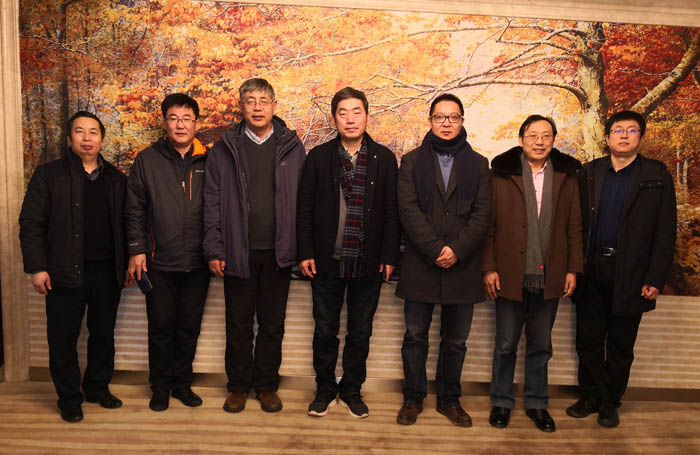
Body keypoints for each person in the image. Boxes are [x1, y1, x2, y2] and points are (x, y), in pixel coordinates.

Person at [567, 110, 676, 428]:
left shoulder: (656, 175)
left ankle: (609, 403)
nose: (624, 135)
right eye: (618, 130)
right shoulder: (589, 173)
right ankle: (588, 397)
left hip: (632, 272)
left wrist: (655, 277)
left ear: (641, 136)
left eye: (631, 130)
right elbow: (574, 225)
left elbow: (666, 231)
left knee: (620, 344)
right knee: (588, 341)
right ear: (607, 137)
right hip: (592, 268)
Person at [19, 111, 131, 423]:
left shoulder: (116, 179)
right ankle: (69, 398)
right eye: (79, 131)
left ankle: (97, 388)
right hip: (63, 272)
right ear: (69, 139)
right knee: (62, 339)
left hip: (107, 273)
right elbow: (30, 224)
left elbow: (128, 224)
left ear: (102, 139)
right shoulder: (49, 175)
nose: (87, 138)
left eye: (93, 132)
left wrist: (128, 262)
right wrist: (37, 267)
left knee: (103, 335)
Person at [203, 78, 306, 414]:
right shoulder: (224, 149)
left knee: (272, 325)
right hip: (237, 252)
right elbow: (211, 201)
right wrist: (215, 248)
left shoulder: (292, 147)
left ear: (274, 106)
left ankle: (266, 386)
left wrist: (303, 249)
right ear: (242, 107)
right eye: (250, 101)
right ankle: (237, 387)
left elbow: (304, 202)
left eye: (263, 100)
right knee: (238, 325)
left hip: (278, 253)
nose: (257, 107)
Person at [296, 87, 400, 418]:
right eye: (343, 113)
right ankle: (325, 388)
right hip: (325, 260)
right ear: (334, 118)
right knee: (325, 329)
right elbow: (304, 209)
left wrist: (389, 256)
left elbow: (391, 213)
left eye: (357, 112)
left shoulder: (384, 158)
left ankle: (352, 389)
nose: (350, 119)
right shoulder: (319, 156)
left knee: (360, 331)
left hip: (368, 261)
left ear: (367, 116)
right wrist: (305, 251)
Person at [482, 115, 583, 432]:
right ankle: (501, 401)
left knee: (541, 346)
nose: (539, 142)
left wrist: (572, 269)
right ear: (521, 139)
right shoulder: (501, 175)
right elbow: (488, 227)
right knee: (506, 344)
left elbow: (574, 228)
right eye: (533, 135)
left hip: (551, 274)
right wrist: (489, 267)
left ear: (553, 140)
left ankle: (537, 404)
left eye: (546, 136)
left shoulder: (566, 177)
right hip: (509, 272)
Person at [395, 93, 491, 427]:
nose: (446, 123)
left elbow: (482, 215)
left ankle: (449, 400)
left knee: (456, 341)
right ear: (431, 120)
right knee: (415, 338)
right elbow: (407, 210)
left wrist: (457, 250)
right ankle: (413, 398)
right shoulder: (411, 161)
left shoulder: (479, 164)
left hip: (463, 266)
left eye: (453, 117)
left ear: (462, 121)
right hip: (421, 264)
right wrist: (435, 249)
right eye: (440, 117)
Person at [125, 93, 210, 412]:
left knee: (189, 328)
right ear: (165, 123)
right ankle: (160, 387)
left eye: (187, 119)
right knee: (161, 328)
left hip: (199, 262)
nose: (180, 125)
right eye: (174, 118)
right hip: (158, 261)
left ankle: (182, 384)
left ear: (196, 123)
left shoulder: (209, 159)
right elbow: (134, 209)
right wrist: (137, 249)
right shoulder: (147, 160)